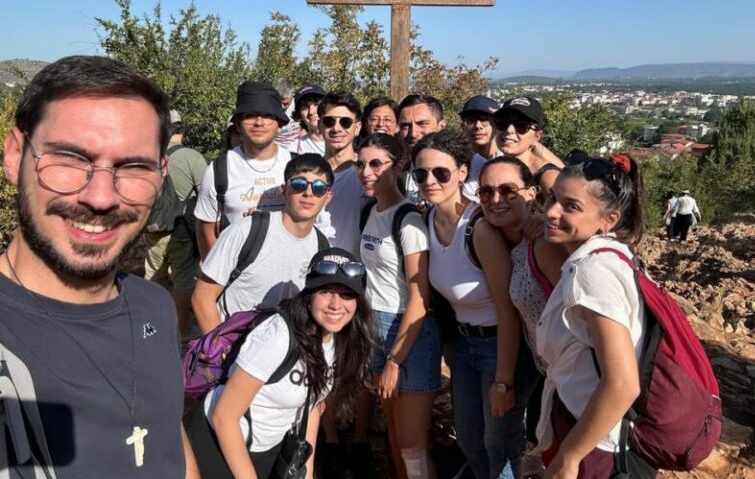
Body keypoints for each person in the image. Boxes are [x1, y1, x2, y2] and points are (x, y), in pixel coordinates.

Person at [0, 55, 198, 477]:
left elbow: (168, 439)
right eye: (70, 159)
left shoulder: (154, 307)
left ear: (161, 173)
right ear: (16, 155)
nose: (102, 197)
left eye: (133, 166)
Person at [187, 247, 378, 479]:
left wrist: (306, 472)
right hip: (219, 440)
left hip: (270, 446)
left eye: (346, 294)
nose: (336, 305)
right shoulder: (278, 335)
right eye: (325, 292)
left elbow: (312, 408)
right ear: (309, 296)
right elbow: (224, 416)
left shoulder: (340, 341)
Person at [414, 129, 534, 479]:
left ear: (462, 172)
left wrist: (504, 382)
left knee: (500, 446)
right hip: (465, 347)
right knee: (469, 440)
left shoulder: (478, 230)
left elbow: (508, 310)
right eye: (421, 174)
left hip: (501, 347)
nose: (430, 181)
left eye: (441, 172)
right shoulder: (428, 221)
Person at [536, 155, 655, 478]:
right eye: (552, 198)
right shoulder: (612, 256)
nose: (551, 212)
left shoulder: (593, 271)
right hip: (589, 429)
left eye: (570, 206)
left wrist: (570, 456)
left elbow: (622, 383)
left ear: (609, 219)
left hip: (598, 445)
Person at [356, 133, 441, 479]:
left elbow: (420, 298)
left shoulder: (409, 221)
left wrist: (395, 359)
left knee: (412, 445)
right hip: (375, 323)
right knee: (392, 428)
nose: (366, 172)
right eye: (361, 164)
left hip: (409, 332)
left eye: (376, 164)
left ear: (399, 166)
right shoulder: (370, 211)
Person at [477, 157, 568, 475]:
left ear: (531, 194)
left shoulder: (544, 242)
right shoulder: (501, 238)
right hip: (549, 369)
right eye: (486, 192)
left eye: (507, 190)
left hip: (573, 376)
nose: (496, 199)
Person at [192, 154, 334, 334]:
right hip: (234, 346)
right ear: (284, 190)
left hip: (285, 351)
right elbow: (202, 298)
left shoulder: (321, 246)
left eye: (319, 188)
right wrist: (218, 349)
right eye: (298, 184)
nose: (308, 193)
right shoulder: (245, 231)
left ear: (328, 197)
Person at [195, 81, 293, 259]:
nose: (259, 122)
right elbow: (206, 229)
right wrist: (219, 278)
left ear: (279, 123)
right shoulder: (218, 170)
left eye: (267, 115)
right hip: (236, 279)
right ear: (238, 124)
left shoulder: (295, 166)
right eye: (250, 115)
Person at [144, 109, 208, 339]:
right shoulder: (192, 157)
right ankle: (182, 330)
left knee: (154, 275)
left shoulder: (152, 155)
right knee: (183, 279)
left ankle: (154, 325)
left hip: (155, 226)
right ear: (182, 129)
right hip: (182, 229)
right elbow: (205, 195)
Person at [319, 91, 367, 257]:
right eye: (329, 121)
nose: (336, 128)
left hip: (355, 273)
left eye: (346, 122)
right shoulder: (307, 173)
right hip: (314, 270)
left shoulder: (368, 175)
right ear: (320, 126)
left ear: (357, 128)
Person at [493, 97, 564, 198]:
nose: (509, 130)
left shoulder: (547, 178)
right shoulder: (496, 168)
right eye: (502, 122)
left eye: (521, 125)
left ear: (536, 137)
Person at [397, 94, 447, 203]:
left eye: (422, 124)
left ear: (441, 126)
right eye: (405, 126)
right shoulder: (400, 177)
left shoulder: (469, 172)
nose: (413, 133)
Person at [460, 95, 501, 198]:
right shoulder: (458, 163)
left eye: (485, 120)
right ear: (463, 127)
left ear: (497, 125)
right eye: (471, 121)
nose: (478, 126)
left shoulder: (510, 160)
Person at [285, 83, 327, 156]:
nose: (311, 112)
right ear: (299, 114)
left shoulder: (344, 143)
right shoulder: (293, 150)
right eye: (305, 107)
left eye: (316, 104)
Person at [274, 78, 302, 148]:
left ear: (292, 95)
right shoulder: (271, 106)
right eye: (279, 102)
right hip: (277, 147)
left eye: (285, 103)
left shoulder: (299, 105)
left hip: (297, 147)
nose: (282, 107)